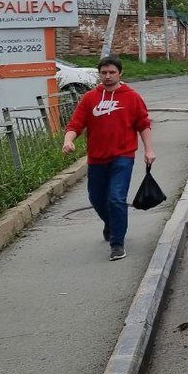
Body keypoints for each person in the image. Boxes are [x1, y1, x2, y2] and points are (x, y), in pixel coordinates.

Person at [62, 56, 156, 261]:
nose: (108, 76)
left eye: (112, 72)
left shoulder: (132, 97)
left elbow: (143, 124)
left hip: (123, 156)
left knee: (115, 198)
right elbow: (75, 124)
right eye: (104, 72)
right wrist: (68, 141)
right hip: (96, 158)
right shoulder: (90, 98)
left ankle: (117, 243)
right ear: (99, 74)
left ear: (120, 73)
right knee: (96, 198)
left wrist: (149, 150)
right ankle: (112, 223)